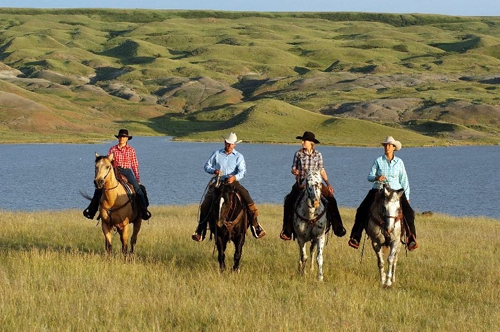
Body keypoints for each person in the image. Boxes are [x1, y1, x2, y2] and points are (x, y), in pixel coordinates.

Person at [191, 132, 266, 242]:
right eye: (227, 143)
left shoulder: (239, 156)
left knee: (248, 199)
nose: (229, 145)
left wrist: (234, 178)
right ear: (225, 142)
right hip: (219, 182)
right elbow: (206, 166)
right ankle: (200, 230)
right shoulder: (216, 153)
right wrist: (214, 170)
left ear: (235, 145)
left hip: (232, 183)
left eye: (231, 144)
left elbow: (242, 171)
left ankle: (256, 226)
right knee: (205, 204)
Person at [348, 136, 418, 250]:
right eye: (385, 145)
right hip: (379, 189)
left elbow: (404, 180)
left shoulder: (399, 162)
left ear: (394, 147)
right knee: (361, 210)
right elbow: (369, 176)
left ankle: (411, 238)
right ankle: (356, 236)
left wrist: (407, 197)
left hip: (396, 191)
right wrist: (377, 177)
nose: (387, 147)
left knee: (409, 212)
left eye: (389, 145)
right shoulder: (378, 161)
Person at [280, 131, 346, 241]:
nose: (302, 143)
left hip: (317, 184)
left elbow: (322, 170)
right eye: (302, 141)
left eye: (304, 141)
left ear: (311, 143)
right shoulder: (298, 154)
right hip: (302, 183)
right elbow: (293, 168)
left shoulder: (318, 155)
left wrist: (328, 184)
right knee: (289, 200)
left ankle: (337, 226)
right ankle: (287, 229)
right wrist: (295, 171)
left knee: (331, 198)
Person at [83, 129, 151, 220]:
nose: (121, 139)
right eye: (120, 137)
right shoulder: (113, 149)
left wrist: (137, 179)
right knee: (99, 188)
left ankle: (143, 211)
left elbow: (134, 165)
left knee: (138, 188)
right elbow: (108, 162)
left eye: (123, 137)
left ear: (127, 139)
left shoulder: (131, 150)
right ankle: (91, 210)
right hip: (114, 170)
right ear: (118, 138)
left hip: (126, 171)